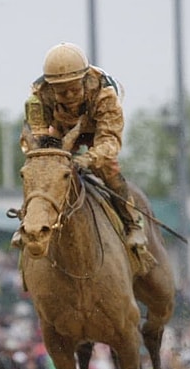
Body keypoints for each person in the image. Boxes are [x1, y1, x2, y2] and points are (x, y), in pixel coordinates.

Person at [12, 42, 151, 260]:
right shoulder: (38, 96)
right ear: (51, 88)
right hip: (60, 130)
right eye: (61, 92)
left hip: (97, 130)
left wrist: (88, 159)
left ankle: (132, 223)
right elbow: (37, 136)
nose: (68, 96)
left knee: (108, 168)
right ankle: (28, 220)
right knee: (40, 168)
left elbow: (110, 141)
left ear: (84, 80)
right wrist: (46, 157)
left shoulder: (105, 95)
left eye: (74, 89)